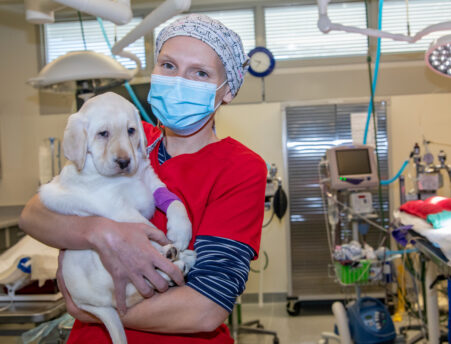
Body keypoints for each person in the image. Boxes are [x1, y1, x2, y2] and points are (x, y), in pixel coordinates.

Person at [19, 14, 267, 344]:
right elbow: (35, 214)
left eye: (200, 73)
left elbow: (206, 309)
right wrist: (100, 233)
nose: (179, 80)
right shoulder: (127, 141)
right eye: (168, 65)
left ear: (227, 91)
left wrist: (94, 311)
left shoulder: (240, 168)